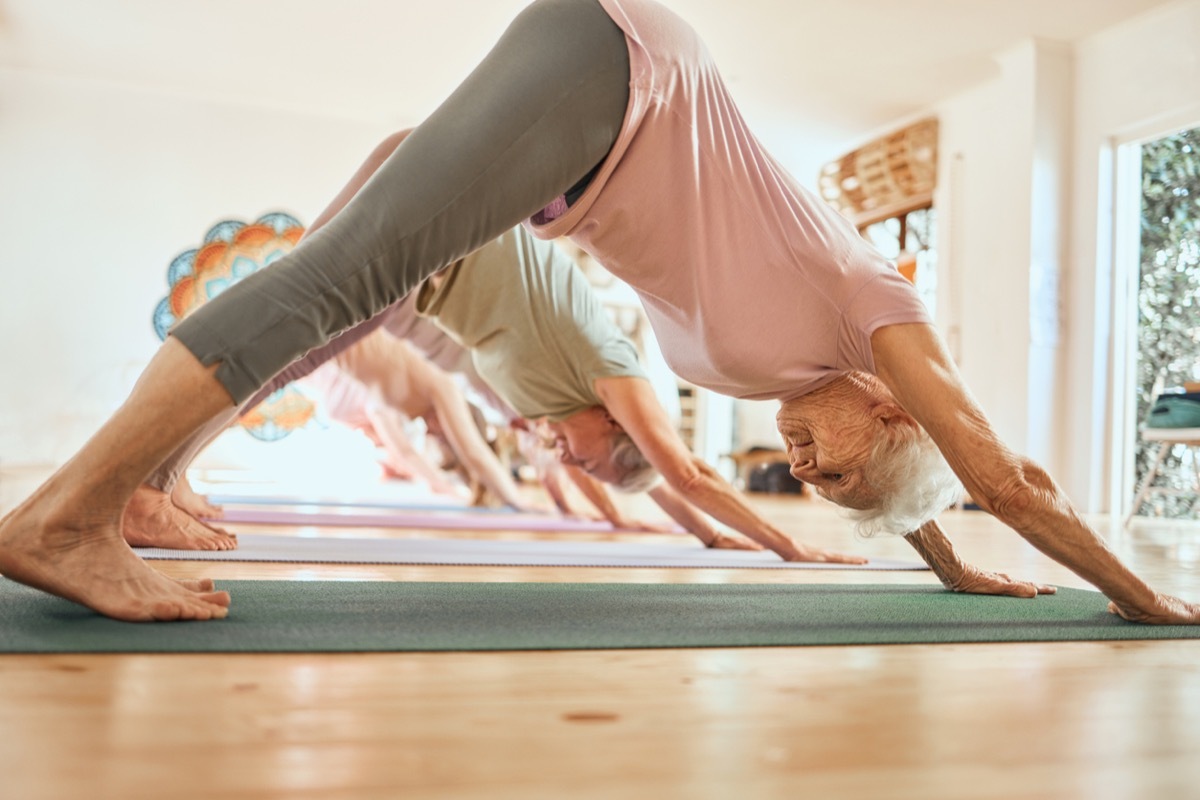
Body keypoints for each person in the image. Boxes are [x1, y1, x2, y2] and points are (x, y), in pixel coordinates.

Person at [2, 0, 1196, 624]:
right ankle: (68, 514)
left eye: (819, 486)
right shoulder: (877, 311)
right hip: (626, 79)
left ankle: (145, 484)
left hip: (577, 162)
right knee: (349, 276)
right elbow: (997, 475)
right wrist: (1141, 597)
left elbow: (921, 491)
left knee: (344, 307)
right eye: (834, 465)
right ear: (890, 409)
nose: (806, 469)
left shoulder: (806, 387)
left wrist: (949, 566)